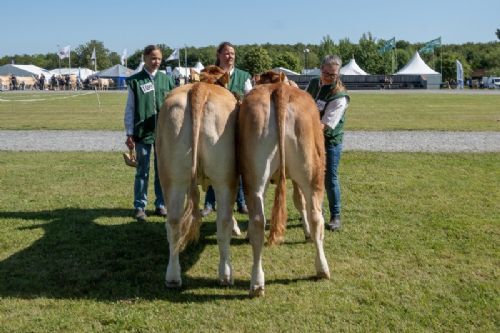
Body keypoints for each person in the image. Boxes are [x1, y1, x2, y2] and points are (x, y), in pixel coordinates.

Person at [201, 41, 252, 217]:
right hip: (214, 127)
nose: (230, 56)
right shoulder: (209, 74)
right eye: (226, 53)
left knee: (237, 164)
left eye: (232, 53)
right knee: (213, 164)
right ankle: (209, 203)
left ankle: (241, 202)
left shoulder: (244, 75)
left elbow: (249, 99)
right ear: (219, 55)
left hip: (237, 125)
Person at [124, 45, 175, 221]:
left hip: (163, 134)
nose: (156, 62)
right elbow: (130, 109)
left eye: (159, 59)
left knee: (161, 170)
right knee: (142, 171)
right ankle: (140, 206)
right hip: (141, 133)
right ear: (144, 58)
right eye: (153, 58)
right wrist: (129, 133)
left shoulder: (167, 80)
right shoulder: (135, 80)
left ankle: (161, 204)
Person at [306, 55, 350, 231]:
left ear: (338, 73)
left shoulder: (339, 96)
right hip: (311, 138)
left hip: (330, 141)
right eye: (325, 72)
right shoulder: (314, 83)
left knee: (330, 178)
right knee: (312, 177)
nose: (328, 77)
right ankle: (317, 211)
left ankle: (335, 215)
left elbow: (324, 125)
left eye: (332, 75)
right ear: (320, 68)